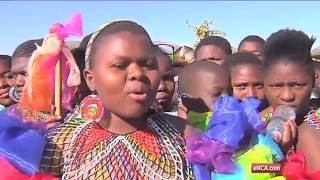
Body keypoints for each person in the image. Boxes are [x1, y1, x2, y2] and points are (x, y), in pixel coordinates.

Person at [40, 20, 194, 179]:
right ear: (91, 79)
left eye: (147, 64)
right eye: (120, 65)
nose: (137, 74)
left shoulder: (185, 136)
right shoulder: (58, 146)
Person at [261, 29, 311, 154]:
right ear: (264, 84)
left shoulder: (314, 130)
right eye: (276, 86)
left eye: (297, 85)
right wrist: (278, 152)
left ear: (313, 81)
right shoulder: (255, 123)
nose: (287, 96)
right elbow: (249, 170)